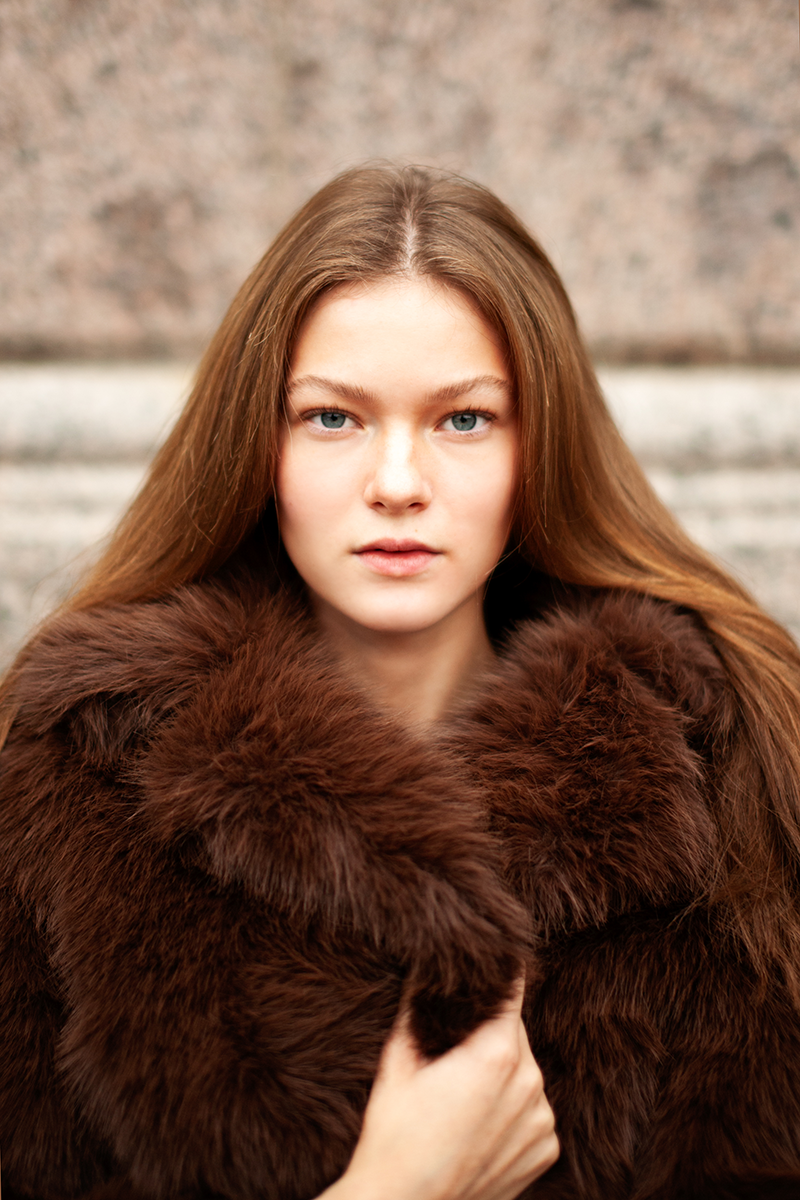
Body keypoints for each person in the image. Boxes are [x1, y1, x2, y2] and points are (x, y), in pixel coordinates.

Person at [1, 164, 800, 1200]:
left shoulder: (730, 759)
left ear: (537, 446)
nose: (395, 484)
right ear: (260, 443)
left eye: (462, 419)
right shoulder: (73, 772)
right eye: (332, 418)